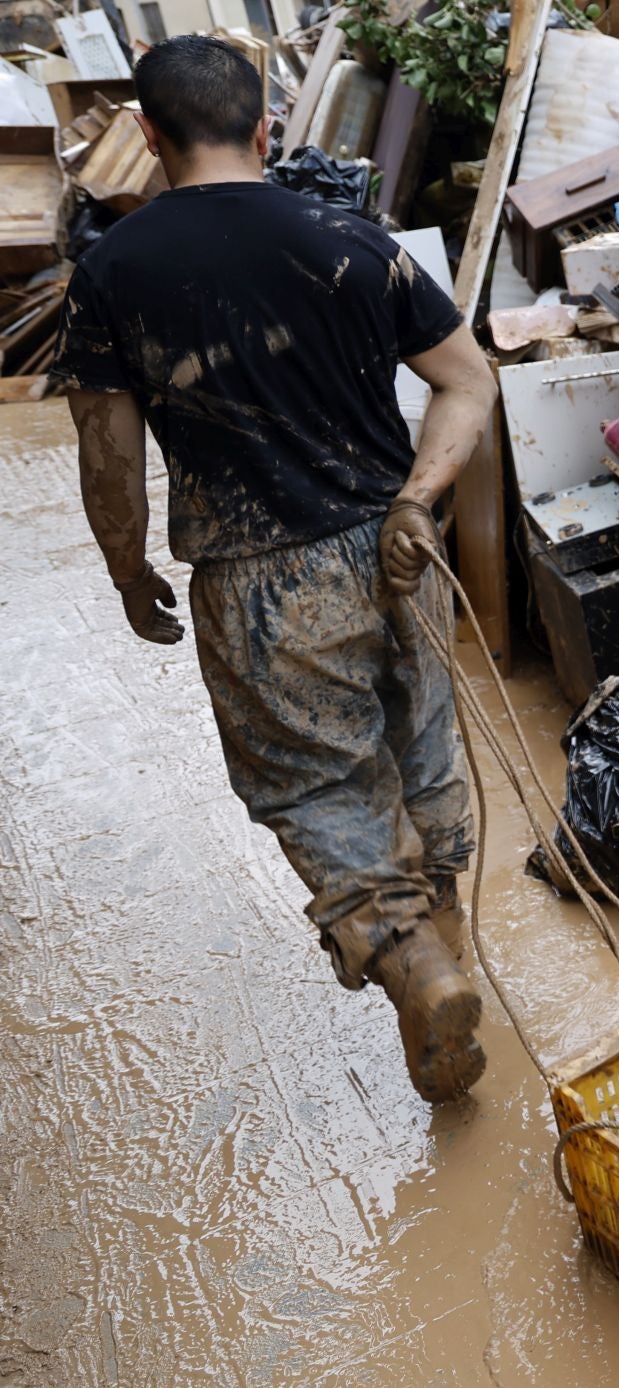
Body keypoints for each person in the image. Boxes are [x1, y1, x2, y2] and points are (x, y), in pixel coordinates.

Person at [50, 36, 500, 1103]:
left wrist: (126, 570)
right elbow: (469, 381)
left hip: (265, 584)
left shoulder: (113, 272)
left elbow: (108, 456)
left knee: (322, 787)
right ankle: (448, 975)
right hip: (399, 556)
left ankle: (420, 967)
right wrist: (416, 498)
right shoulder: (355, 238)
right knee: (425, 761)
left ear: (152, 141)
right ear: (265, 130)